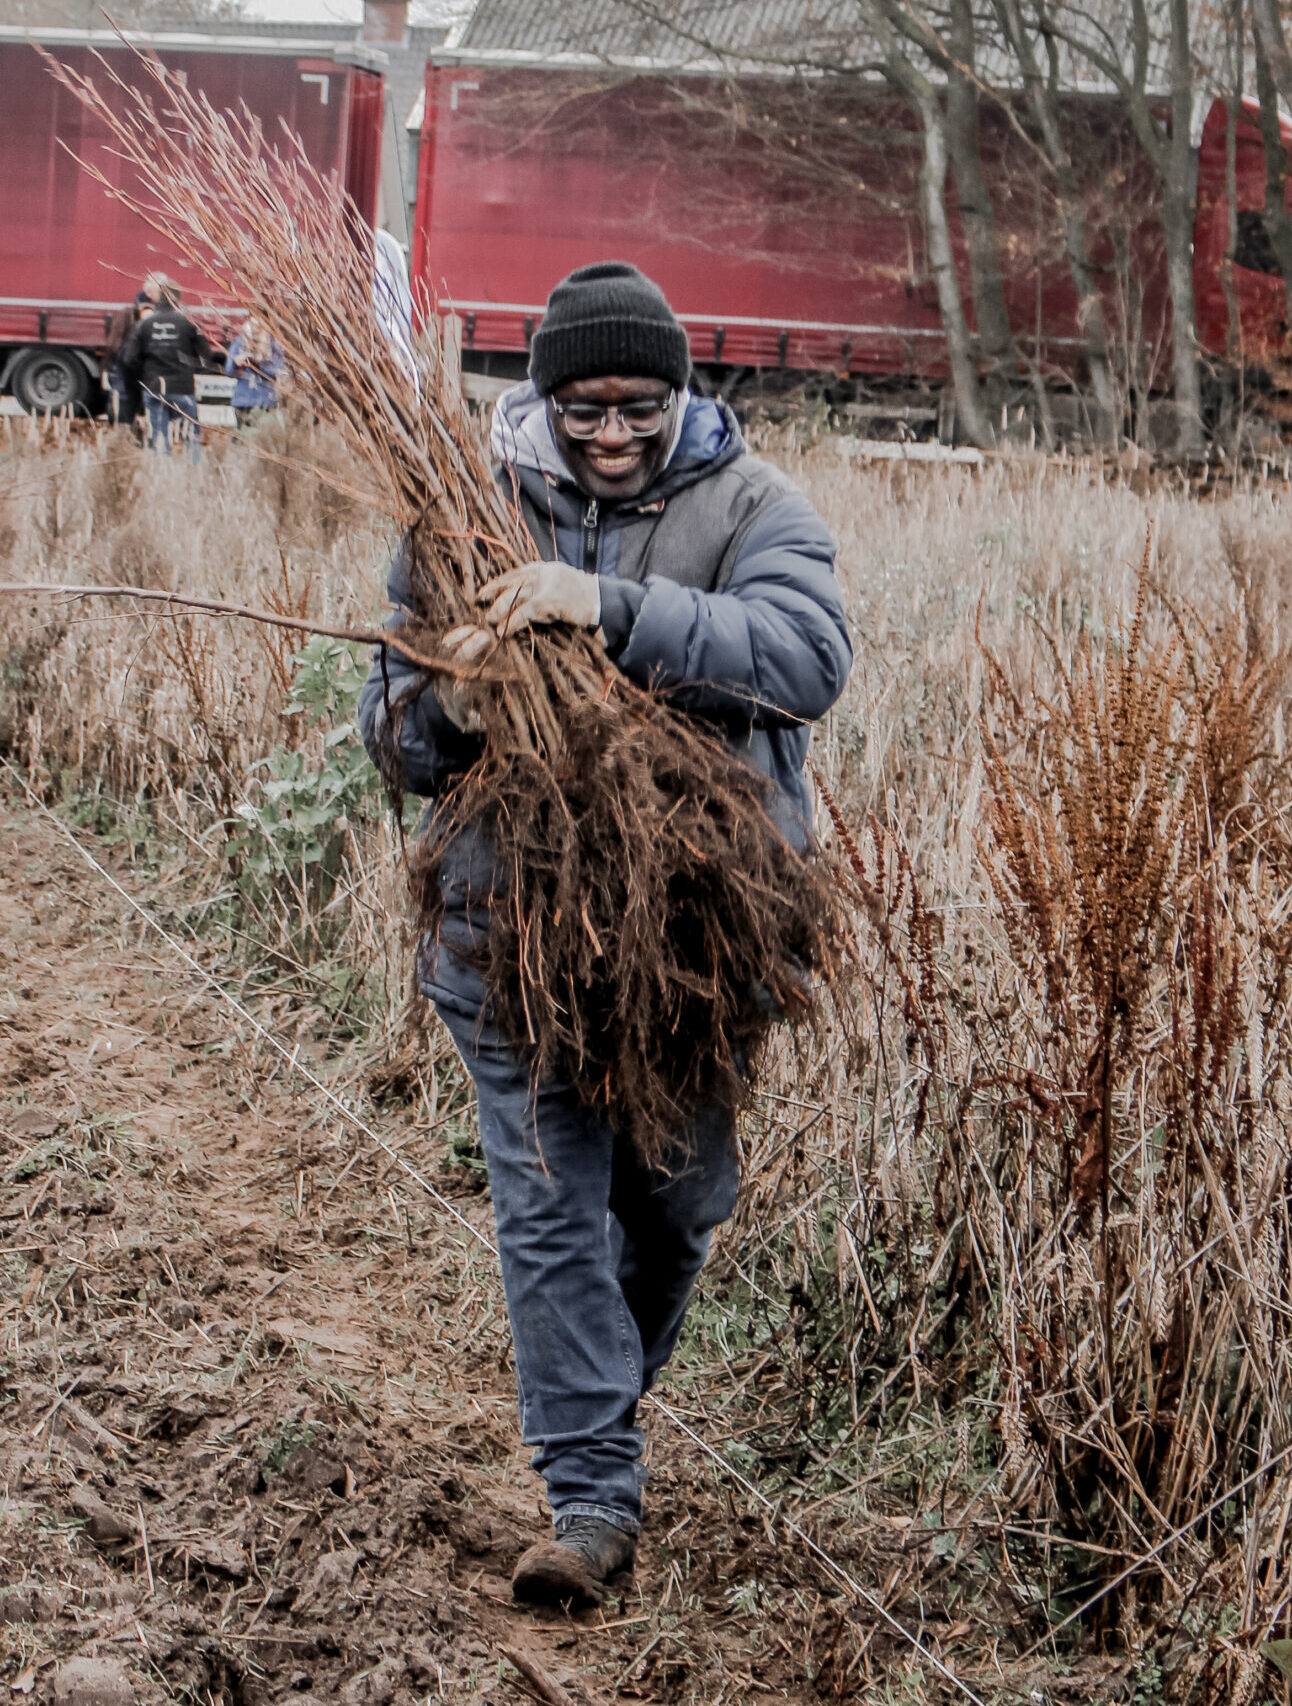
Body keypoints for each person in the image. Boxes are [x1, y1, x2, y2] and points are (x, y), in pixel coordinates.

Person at [358, 262, 852, 1606]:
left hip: (697, 937)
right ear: (545, 396)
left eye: (637, 402)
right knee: (550, 1201)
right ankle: (590, 1495)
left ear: (679, 391)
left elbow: (805, 656)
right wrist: (453, 712)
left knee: (679, 1202)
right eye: (581, 405)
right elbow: (388, 724)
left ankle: (594, 1401)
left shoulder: (752, 504)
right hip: (503, 921)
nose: (611, 430)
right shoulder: (466, 513)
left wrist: (606, 611)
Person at [122, 277, 212, 461]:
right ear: (177, 300)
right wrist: (192, 374)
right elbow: (206, 357)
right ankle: (193, 474)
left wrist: (145, 377)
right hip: (183, 388)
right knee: (191, 439)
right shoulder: (188, 324)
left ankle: (162, 477)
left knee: (159, 440)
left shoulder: (145, 324)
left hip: (155, 388)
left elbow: (129, 359)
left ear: (157, 299)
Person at [104, 288, 151, 434]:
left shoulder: (120, 344)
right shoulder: (135, 345)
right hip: (129, 392)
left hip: (120, 391)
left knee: (121, 431)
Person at [225, 313, 283, 423]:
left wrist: (257, 365)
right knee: (242, 437)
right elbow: (228, 370)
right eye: (253, 321)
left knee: (262, 438)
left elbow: (277, 371)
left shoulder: (273, 344)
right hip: (243, 400)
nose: (255, 325)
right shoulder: (240, 342)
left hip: (265, 401)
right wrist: (237, 363)